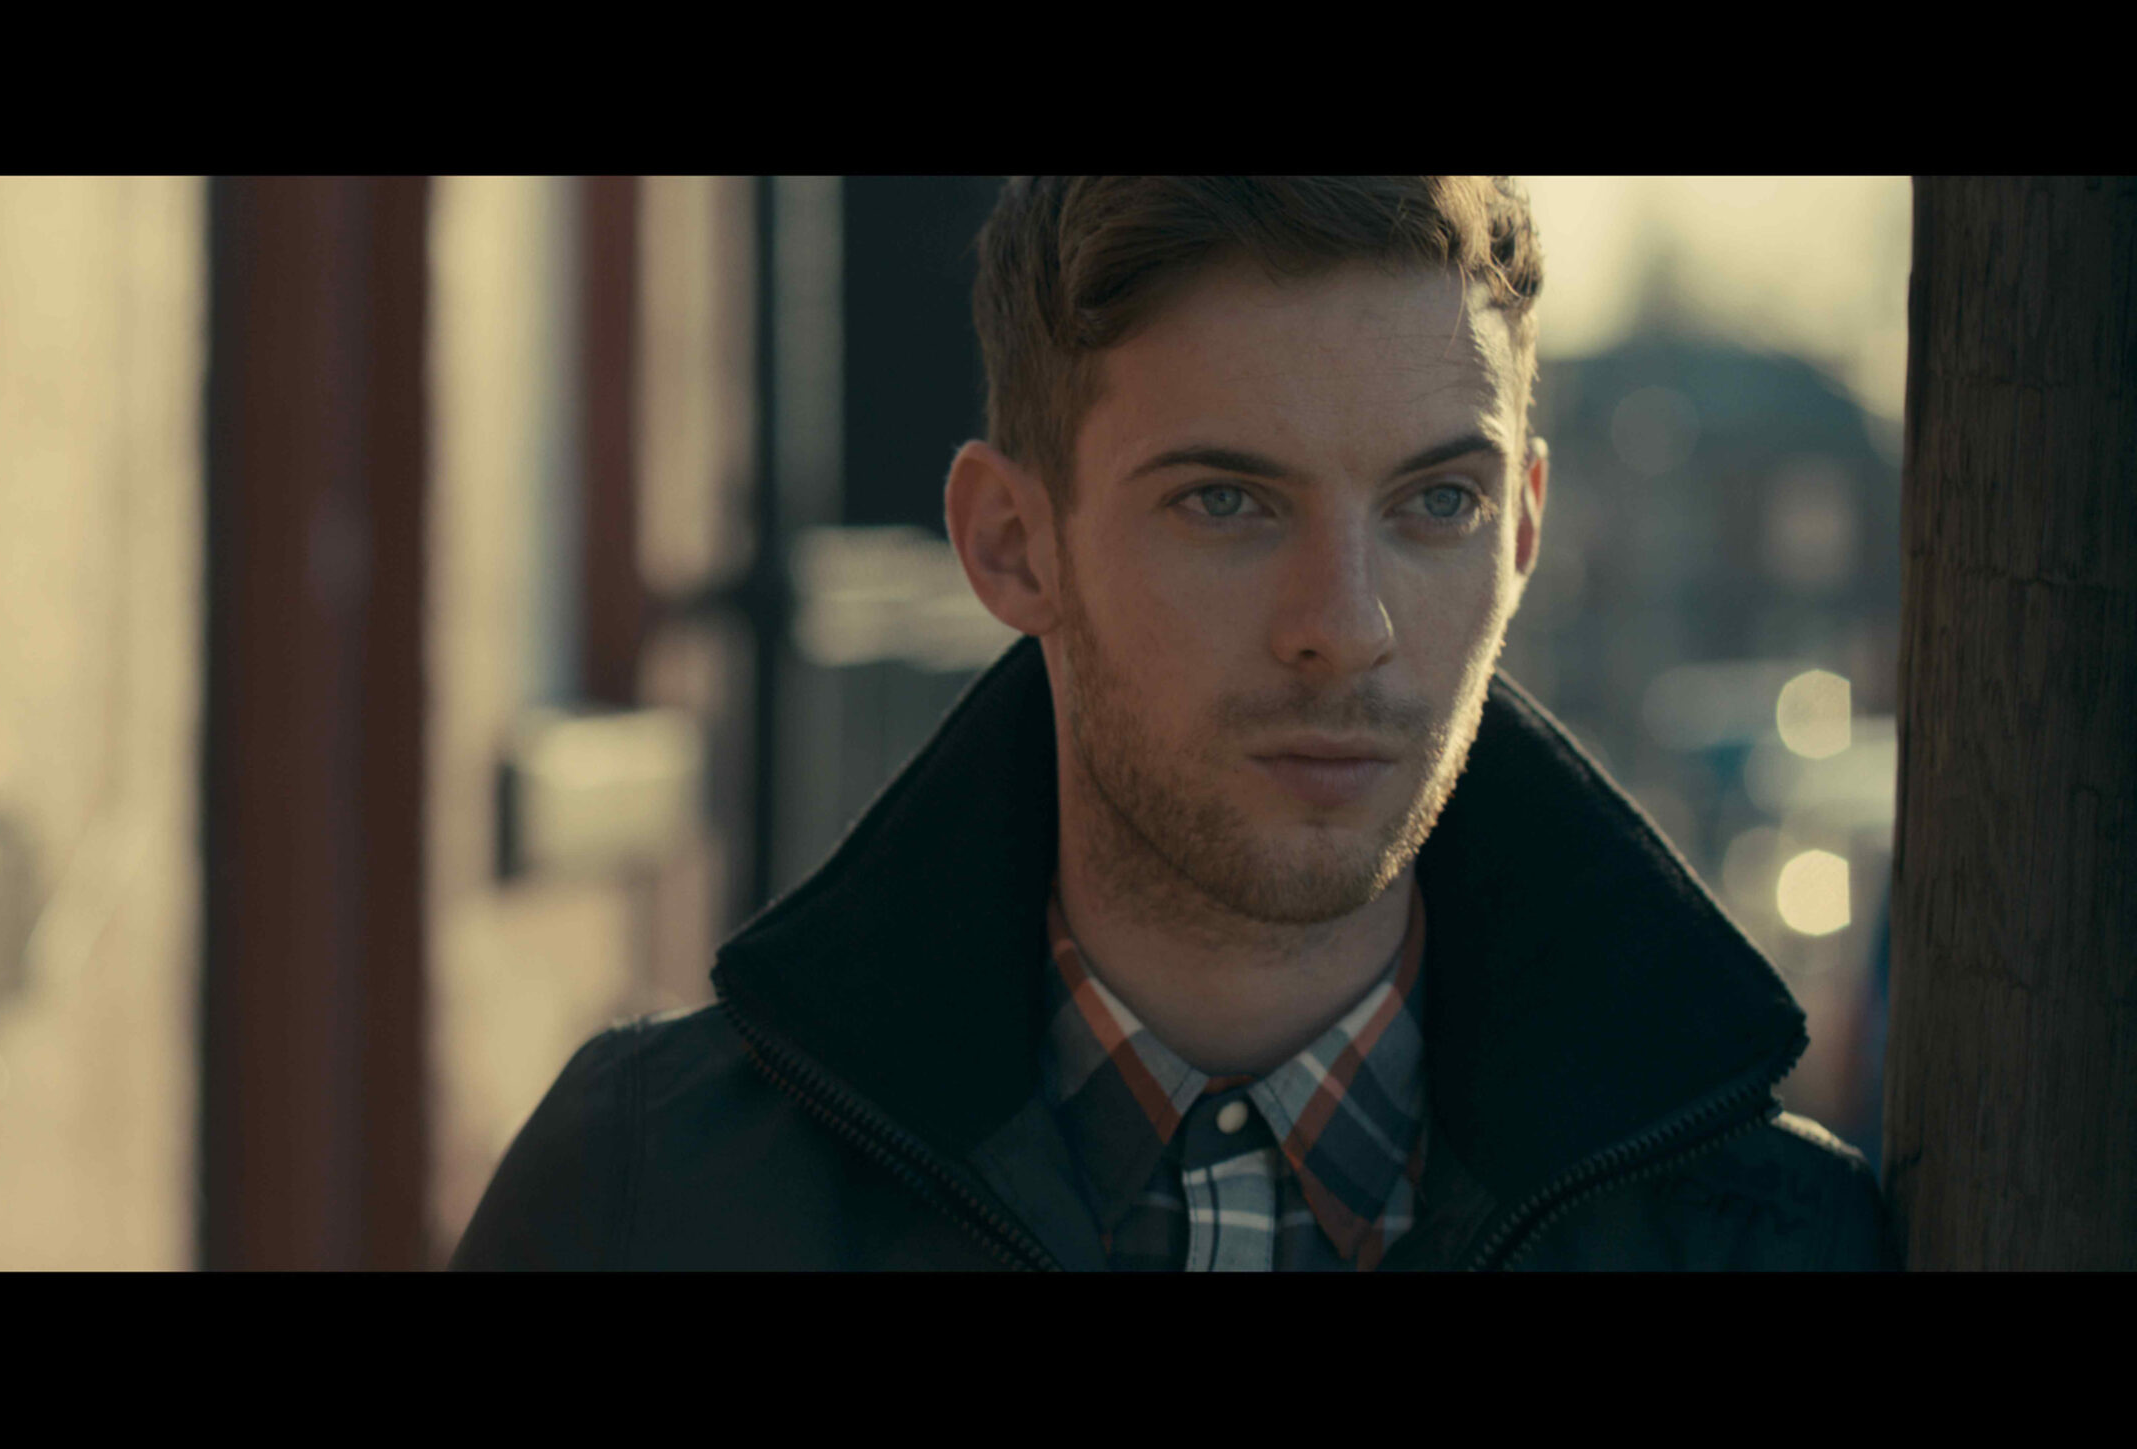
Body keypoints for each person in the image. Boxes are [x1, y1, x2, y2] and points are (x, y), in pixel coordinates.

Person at [451, 177, 1894, 1271]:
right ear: (1013, 544)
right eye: (1226, 501)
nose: (1347, 623)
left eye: (1437, 503)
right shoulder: (646, 1201)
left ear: (1521, 533)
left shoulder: (1773, 1241)